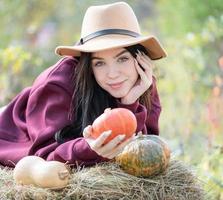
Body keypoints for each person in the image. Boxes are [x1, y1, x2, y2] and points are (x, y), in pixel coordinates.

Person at [0, 2, 167, 167]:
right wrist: (88, 148)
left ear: (140, 58)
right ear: (87, 63)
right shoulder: (57, 83)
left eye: (122, 59)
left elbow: (146, 150)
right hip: (12, 136)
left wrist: (129, 102)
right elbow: (43, 157)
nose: (113, 74)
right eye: (99, 63)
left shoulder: (142, 82)